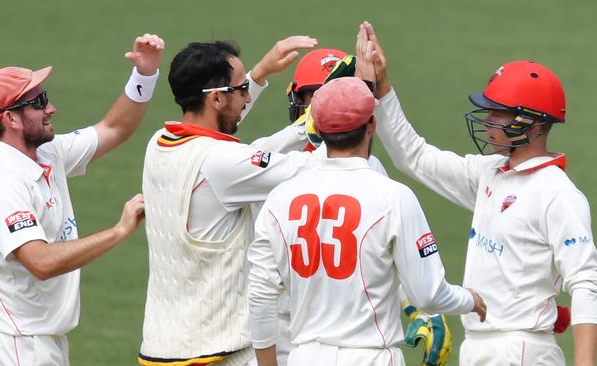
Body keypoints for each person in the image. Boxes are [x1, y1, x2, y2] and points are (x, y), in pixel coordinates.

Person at [360, 20, 597, 365]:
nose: (487, 119)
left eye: (498, 112)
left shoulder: (558, 194)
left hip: (521, 349)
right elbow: (413, 156)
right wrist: (382, 87)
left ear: (529, 122)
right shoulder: (489, 173)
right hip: (479, 345)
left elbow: (586, 282)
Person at [248, 76, 486, 366]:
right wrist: (470, 300)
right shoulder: (394, 196)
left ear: (318, 129)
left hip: (303, 356)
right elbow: (428, 294)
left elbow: (260, 294)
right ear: (371, 124)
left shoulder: (280, 198)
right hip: (370, 357)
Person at [0, 33, 164, 366]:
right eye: (38, 102)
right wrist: (118, 231)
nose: (50, 107)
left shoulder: (44, 152)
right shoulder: (1, 181)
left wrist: (144, 74)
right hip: (18, 347)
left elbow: (114, 128)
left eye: (45, 97)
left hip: (38, 339)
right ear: (10, 119)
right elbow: (40, 262)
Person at [139, 36, 324, 366]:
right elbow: (310, 170)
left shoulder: (159, 144)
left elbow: (236, 145)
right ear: (215, 100)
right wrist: (330, 119)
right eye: (241, 90)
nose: (246, 96)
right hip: (216, 352)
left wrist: (261, 73)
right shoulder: (221, 163)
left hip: (164, 346)